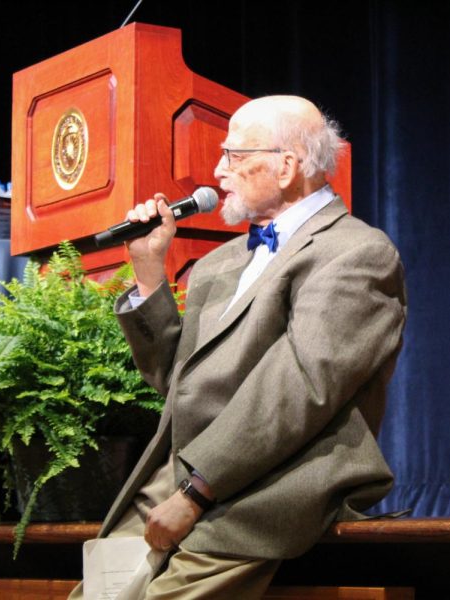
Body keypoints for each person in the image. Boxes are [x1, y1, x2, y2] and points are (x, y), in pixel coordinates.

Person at [69, 95, 407, 599]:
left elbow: (297, 392)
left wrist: (196, 492)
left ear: (287, 166)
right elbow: (175, 382)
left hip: (268, 488)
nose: (218, 170)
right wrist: (147, 268)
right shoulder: (218, 264)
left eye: (234, 155)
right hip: (178, 478)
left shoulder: (355, 253)